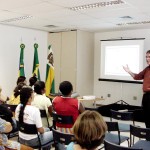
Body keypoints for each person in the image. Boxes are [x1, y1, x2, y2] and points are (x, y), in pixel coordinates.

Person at [123, 50, 150, 128]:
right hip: (146, 96)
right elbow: (137, 76)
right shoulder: (147, 69)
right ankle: (148, 136)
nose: (147, 59)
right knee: (147, 118)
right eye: (146, 57)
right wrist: (129, 71)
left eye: (149, 57)